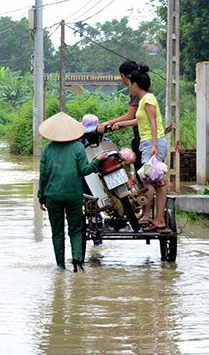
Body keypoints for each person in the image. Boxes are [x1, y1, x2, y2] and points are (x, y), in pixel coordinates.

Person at [37, 112, 107, 272]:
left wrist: (41, 197)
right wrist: (98, 160)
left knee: (57, 233)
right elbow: (84, 170)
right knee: (75, 230)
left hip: (52, 196)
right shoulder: (78, 147)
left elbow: (44, 176)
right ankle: (77, 263)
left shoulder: (48, 150)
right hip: (74, 195)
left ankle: (60, 266)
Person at [112, 66, 169, 232]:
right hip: (148, 142)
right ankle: (151, 217)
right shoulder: (144, 100)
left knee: (155, 181)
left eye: (130, 83)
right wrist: (121, 124)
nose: (129, 86)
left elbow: (152, 122)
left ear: (135, 85)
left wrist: (154, 146)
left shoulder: (148, 99)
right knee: (151, 180)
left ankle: (156, 219)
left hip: (152, 143)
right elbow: (140, 121)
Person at [97, 60, 142, 169]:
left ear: (122, 76)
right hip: (146, 137)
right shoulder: (144, 89)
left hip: (143, 138)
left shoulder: (136, 91)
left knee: (145, 177)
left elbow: (130, 116)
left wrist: (108, 123)